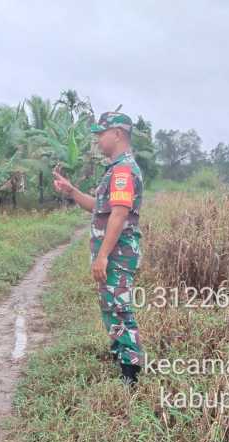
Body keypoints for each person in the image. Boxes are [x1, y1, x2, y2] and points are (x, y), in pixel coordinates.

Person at [53, 111, 145, 385]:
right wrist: (72, 191)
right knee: (112, 306)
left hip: (117, 255)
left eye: (100, 134)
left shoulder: (123, 171)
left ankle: (131, 374)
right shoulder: (117, 169)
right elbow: (99, 208)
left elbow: (118, 214)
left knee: (119, 309)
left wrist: (103, 256)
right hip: (114, 255)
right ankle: (121, 358)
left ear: (117, 134)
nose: (97, 140)